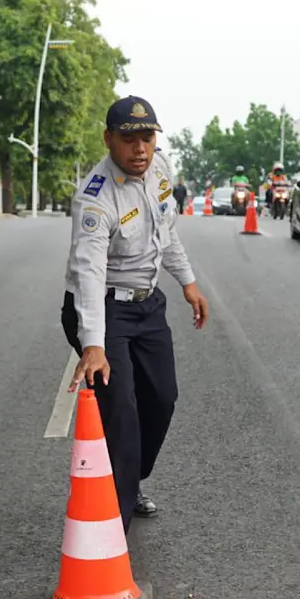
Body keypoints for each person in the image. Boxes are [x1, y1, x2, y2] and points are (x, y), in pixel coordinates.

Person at [61, 95, 210, 534]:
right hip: (102, 309)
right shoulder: (95, 199)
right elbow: (89, 272)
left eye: (147, 137)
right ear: (109, 139)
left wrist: (188, 282)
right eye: (129, 139)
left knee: (162, 398)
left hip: (147, 303)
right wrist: (93, 345)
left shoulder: (159, 170)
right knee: (121, 413)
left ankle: (131, 478)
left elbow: (166, 230)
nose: (140, 149)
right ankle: (113, 531)